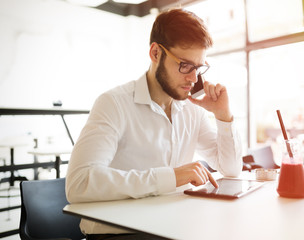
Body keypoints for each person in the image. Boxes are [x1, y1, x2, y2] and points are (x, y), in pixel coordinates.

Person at [66, 8, 242, 239]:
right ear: (156, 53)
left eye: (199, 68)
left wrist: (223, 116)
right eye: (185, 65)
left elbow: (230, 169)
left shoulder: (192, 108)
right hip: (119, 233)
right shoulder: (114, 103)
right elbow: (79, 184)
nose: (194, 78)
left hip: (173, 226)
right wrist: (171, 177)